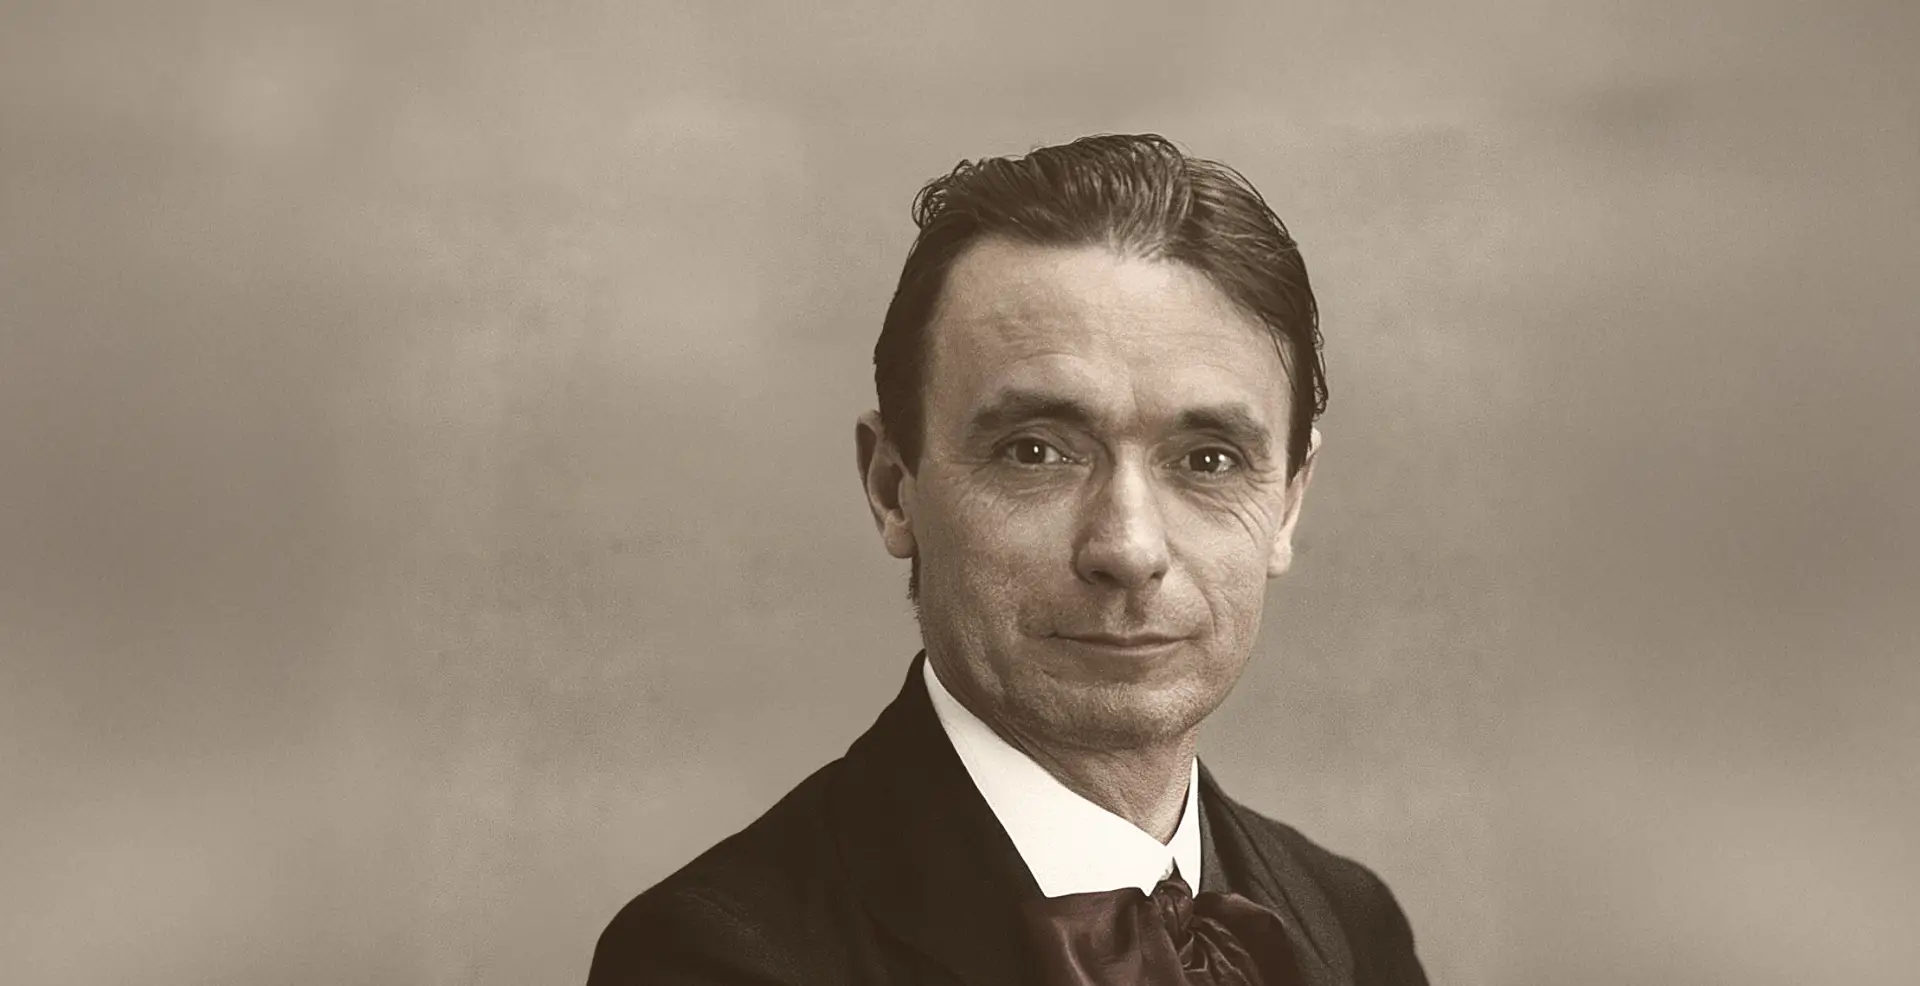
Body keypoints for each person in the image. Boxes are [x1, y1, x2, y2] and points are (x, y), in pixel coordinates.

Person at [588, 133, 1428, 985]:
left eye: (1208, 460)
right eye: (1035, 452)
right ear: (892, 488)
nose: (1128, 549)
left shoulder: (1354, 926)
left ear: (1287, 502)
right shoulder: (707, 956)